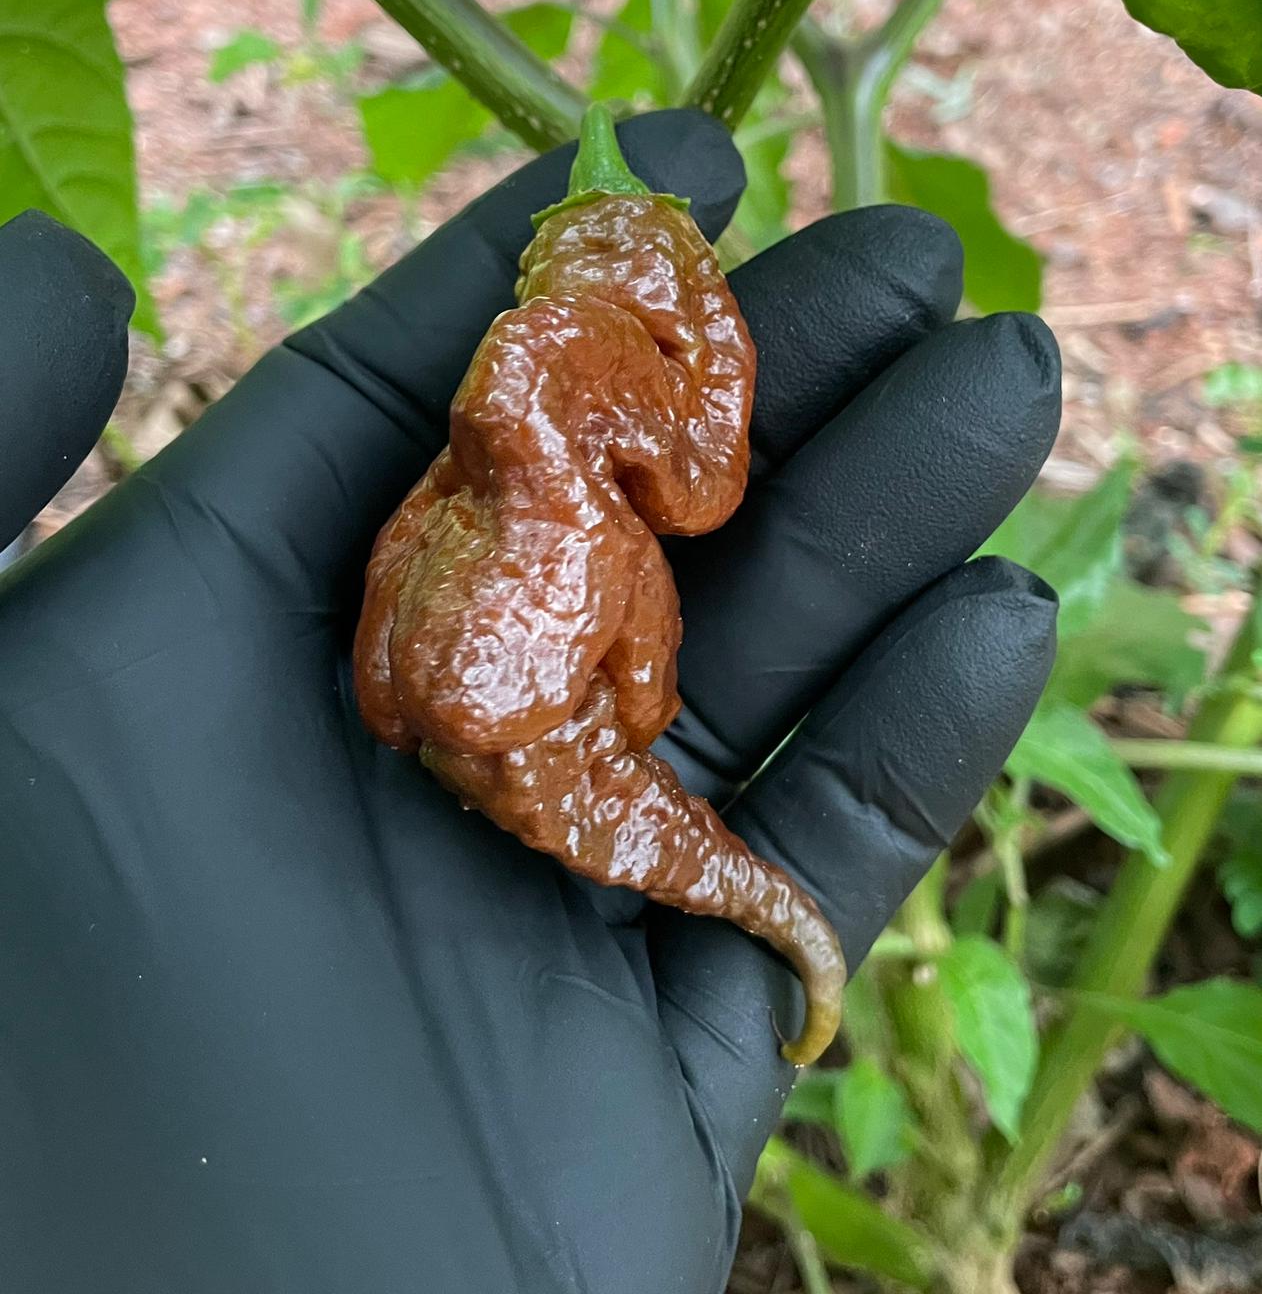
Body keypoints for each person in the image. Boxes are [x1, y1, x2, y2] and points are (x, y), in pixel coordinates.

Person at [0, 111, 1059, 1294]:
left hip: (470, 673)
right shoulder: (566, 395)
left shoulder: (531, 391)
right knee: (594, 707)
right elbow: (697, 490)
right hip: (497, 682)